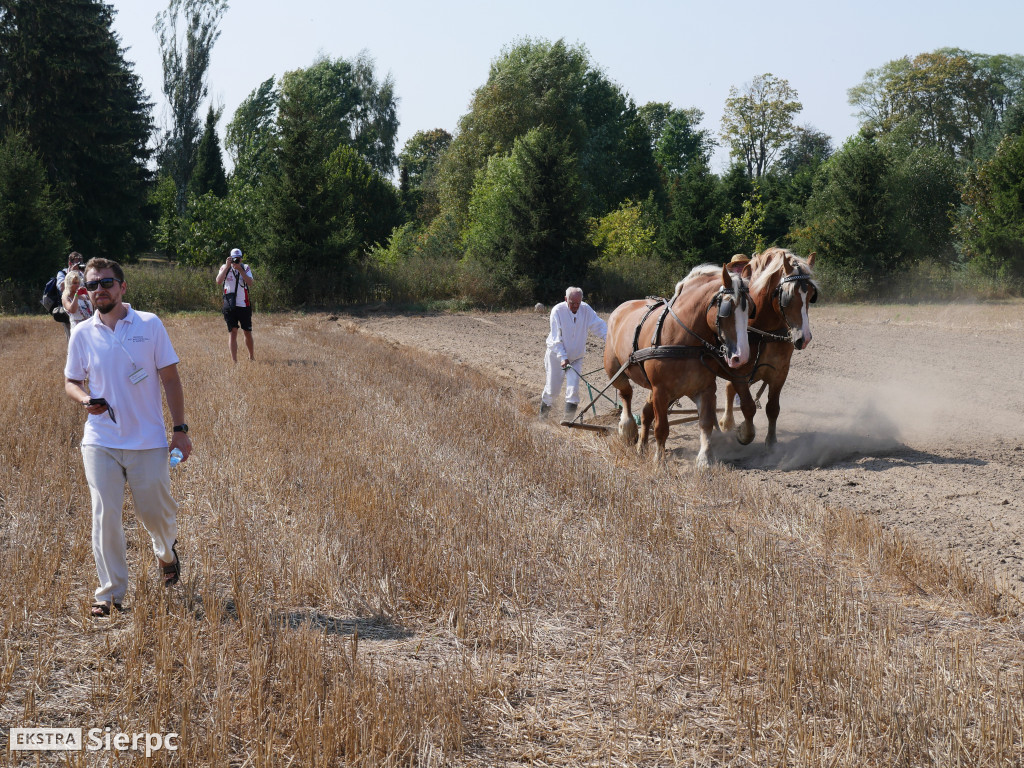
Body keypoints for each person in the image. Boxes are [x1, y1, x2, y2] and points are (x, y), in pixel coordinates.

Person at [64, 258, 192, 617]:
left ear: (122, 287)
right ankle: (109, 594)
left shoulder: (149, 325)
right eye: (92, 285)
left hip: (147, 440)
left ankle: (166, 552)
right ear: (86, 292)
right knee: (104, 514)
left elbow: (170, 379)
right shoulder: (82, 333)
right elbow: (71, 381)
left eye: (107, 282)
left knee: (157, 514)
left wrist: (179, 431)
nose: (100, 289)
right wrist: (87, 400)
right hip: (101, 439)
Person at [541, 286, 607, 417]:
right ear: (566, 299)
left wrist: (610, 340)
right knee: (552, 390)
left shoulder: (586, 309)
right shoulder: (557, 311)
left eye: (578, 303)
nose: (576, 306)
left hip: (576, 357)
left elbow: (598, 326)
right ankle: (542, 418)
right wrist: (563, 357)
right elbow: (556, 338)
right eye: (572, 303)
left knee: (573, 390)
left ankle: (568, 422)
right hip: (556, 356)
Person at [215, 247, 255, 362]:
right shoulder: (224, 267)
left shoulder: (245, 267)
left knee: (247, 331)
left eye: (238, 259)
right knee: (233, 332)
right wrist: (228, 266)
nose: (236, 261)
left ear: (241, 259)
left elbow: (251, 283)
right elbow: (218, 281)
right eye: (234, 259)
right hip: (230, 305)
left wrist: (240, 270)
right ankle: (234, 361)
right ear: (230, 259)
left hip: (244, 304)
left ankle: (251, 357)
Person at [53, 252, 83, 338]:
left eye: (81, 262)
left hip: (84, 311)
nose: (79, 265)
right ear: (70, 263)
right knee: (72, 339)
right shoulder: (62, 273)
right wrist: (71, 273)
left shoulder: (83, 274)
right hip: (70, 310)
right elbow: (61, 287)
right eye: (77, 262)